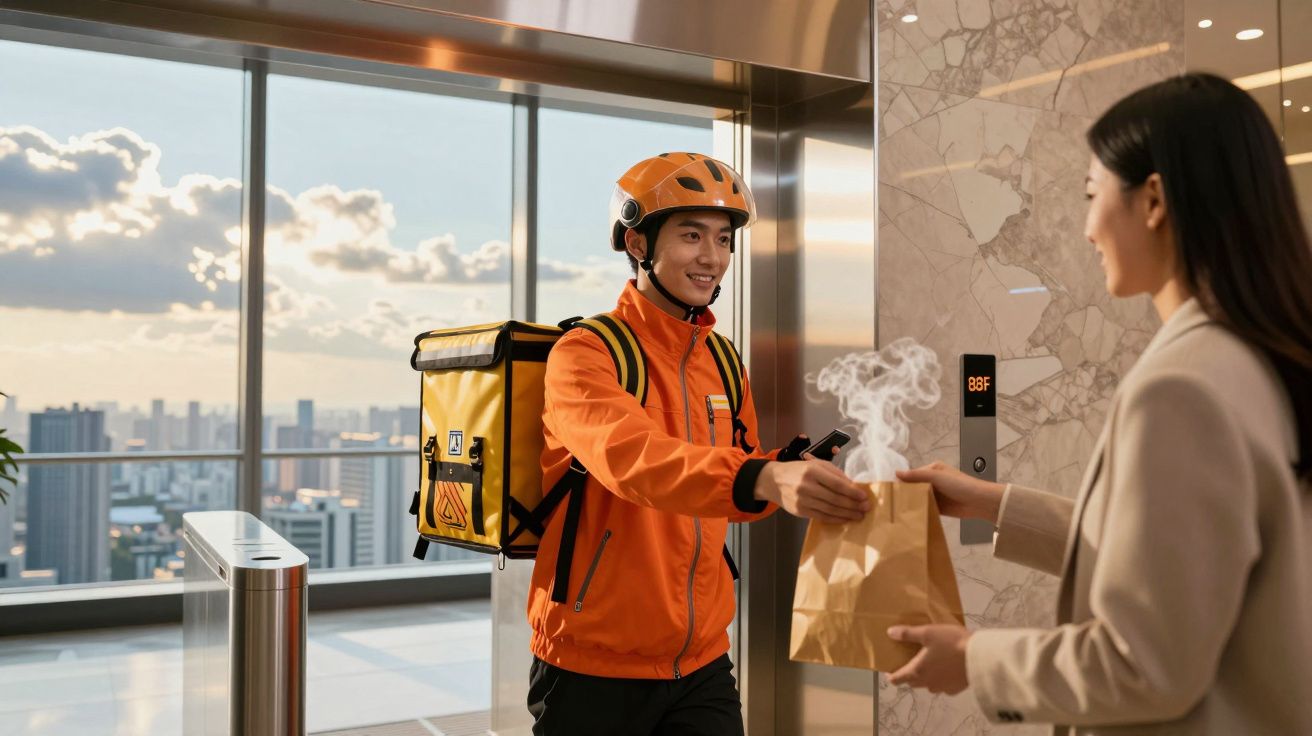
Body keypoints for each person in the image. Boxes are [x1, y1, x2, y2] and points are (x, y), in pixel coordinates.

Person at [885, 73, 1312, 734]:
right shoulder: (1262, 359)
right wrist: (993, 504)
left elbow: (1144, 664)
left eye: (1091, 194)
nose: (1087, 229)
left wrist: (975, 659)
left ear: (1154, 200)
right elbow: (1187, 566)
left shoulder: (1182, 390)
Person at [525, 152, 870, 735]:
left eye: (724, 239)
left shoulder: (723, 360)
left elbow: (733, 476)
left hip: (703, 659)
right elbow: (633, 460)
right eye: (691, 235)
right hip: (592, 663)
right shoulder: (585, 353)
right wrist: (758, 478)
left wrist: (780, 471)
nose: (713, 258)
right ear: (638, 244)